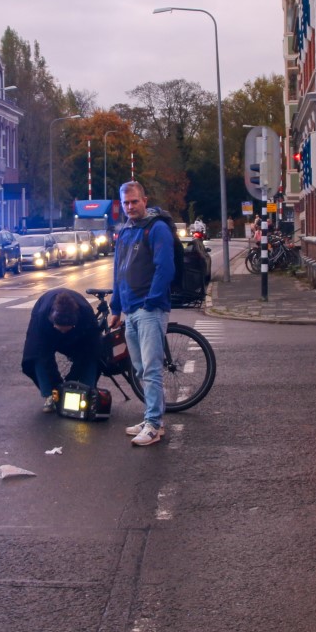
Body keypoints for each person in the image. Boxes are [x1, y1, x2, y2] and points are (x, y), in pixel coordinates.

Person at [110, 180, 173, 447]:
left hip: (148, 310)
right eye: (125, 203)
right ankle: (151, 418)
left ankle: (154, 424)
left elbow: (165, 268)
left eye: (134, 201)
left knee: (151, 369)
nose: (130, 207)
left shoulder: (156, 229)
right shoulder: (126, 231)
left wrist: (151, 302)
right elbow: (118, 272)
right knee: (139, 369)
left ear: (144, 200)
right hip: (130, 310)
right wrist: (115, 307)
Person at [20, 287, 103, 412]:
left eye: (66, 329)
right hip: (46, 331)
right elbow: (44, 355)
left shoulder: (85, 314)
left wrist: (72, 379)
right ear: (53, 322)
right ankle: (50, 395)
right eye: (60, 329)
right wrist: (57, 386)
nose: (63, 332)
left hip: (79, 335)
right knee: (36, 356)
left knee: (93, 356)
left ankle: (87, 391)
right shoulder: (42, 316)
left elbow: (89, 350)